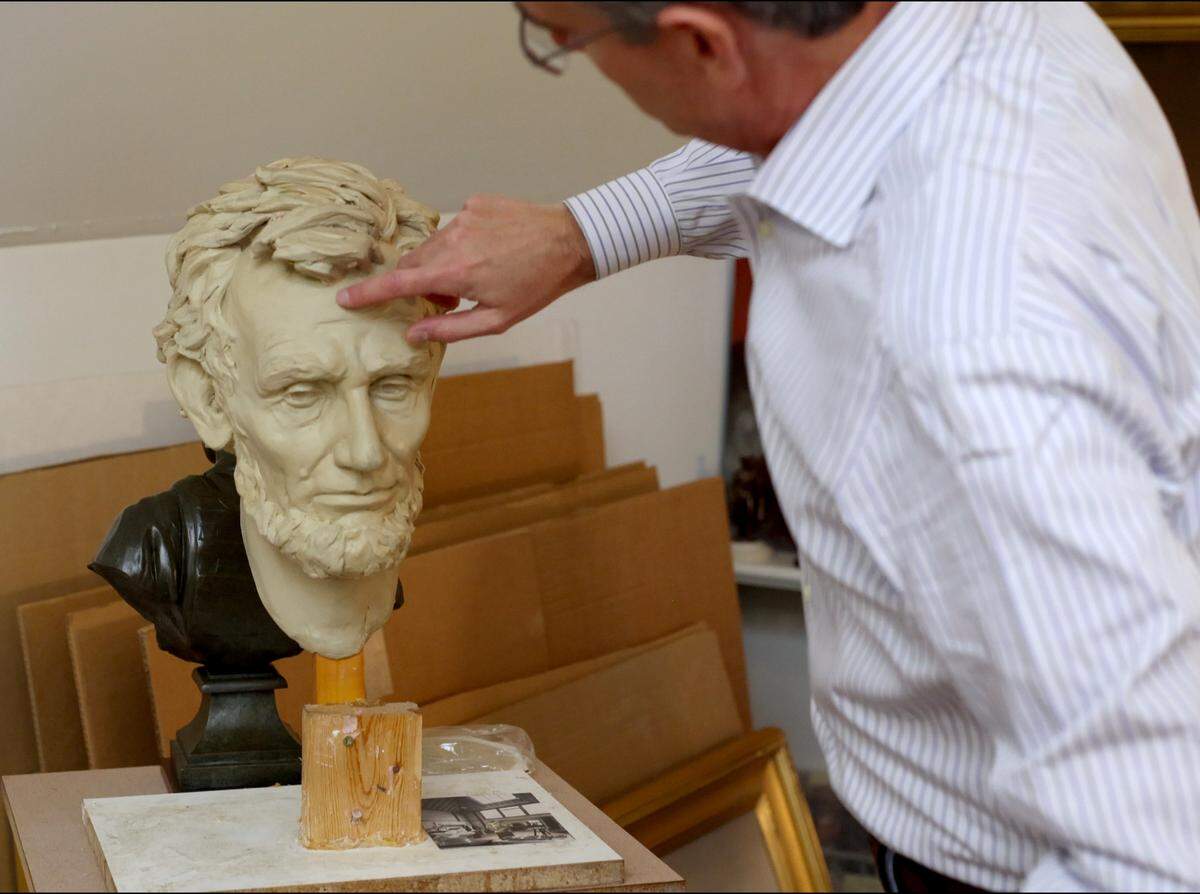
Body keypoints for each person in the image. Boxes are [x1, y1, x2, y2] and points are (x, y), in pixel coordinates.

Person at [338, 2, 1200, 890]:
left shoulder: (968, 354)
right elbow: (810, 118)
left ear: (704, 42)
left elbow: (1153, 850)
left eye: (564, 38)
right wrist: (583, 233)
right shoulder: (945, 30)